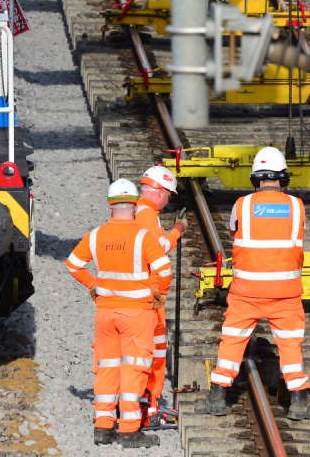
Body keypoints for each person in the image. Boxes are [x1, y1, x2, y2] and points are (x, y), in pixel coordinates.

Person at [202, 147, 310, 420]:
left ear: (255, 178)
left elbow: (233, 232)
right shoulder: (296, 207)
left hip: (247, 290)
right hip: (285, 291)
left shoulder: (242, 205)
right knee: (289, 344)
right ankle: (299, 401)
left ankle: (217, 397)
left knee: (232, 340)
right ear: (283, 178)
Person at [65, 179, 172, 448]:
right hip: (136, 314)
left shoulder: (96, 235)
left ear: (110, 205)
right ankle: (129, 430)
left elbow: (73, 264)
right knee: (134, 368)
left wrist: (93, 285)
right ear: (135, 204)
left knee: (107, 367)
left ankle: (102, 427)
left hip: (105, 313)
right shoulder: (143, 237)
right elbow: (164, 271)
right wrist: (157, 292)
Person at [134, 165, 188, 424]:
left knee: (149, 353)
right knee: (154, 354)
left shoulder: (142, 212)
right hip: (150, 295)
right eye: (168, 194)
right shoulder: (145, 214)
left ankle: (147, 407)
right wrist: (177, 230)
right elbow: (158, 250)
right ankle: (148, 410)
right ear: (158, 191)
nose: (168, 199)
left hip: (143, 293)